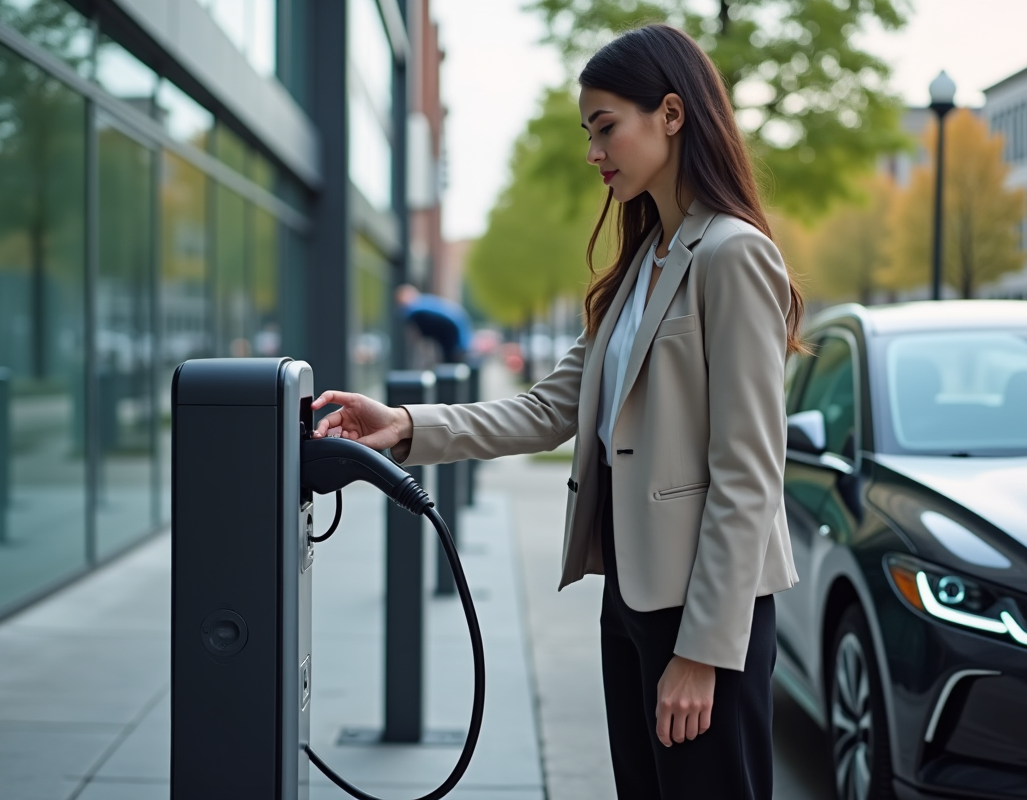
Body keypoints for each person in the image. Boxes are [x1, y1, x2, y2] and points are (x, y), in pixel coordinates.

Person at [312, 24, 804, 799]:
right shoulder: (646, 261)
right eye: (588, 132)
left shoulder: (732, 254)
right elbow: (550, 408)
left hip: (704, 614)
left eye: (606, 127)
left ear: (671, 116)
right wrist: (406, 426)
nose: (592, 151)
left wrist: (704, 651)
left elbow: (748, 470)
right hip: (635, 596)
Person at [396, 283, 474, 363]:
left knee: (449, 367)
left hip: (456, 339)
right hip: (461, 337)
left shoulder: (415, 311)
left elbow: (419, 335)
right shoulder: (424, 302)